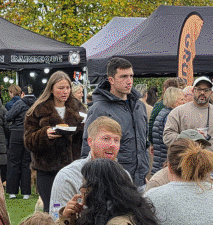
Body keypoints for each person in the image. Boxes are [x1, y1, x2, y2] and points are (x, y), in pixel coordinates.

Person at [82, 58, 149, 188]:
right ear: (111, 80)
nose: (129, 81)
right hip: (112, 181)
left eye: (131, 76)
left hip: (139, 181)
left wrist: (143, 173)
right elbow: (87, 146)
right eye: (123, 76)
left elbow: (143, 142)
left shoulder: (139, 106)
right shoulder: (99, 109)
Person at [24, 71, 85, 212]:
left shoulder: (79, 108)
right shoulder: (37, 110)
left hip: (73, 168)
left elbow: (86, 136)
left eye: (67, 88)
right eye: (60, 88)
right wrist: (44, 135)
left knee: (73, 208)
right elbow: (28, 141)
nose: (65, 92)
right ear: (51, 89)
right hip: (48, 170)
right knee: (51, 209)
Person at [49, 116, 121, 210]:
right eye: (106, 138)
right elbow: (55, 215)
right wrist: (66, 216)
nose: (112, 144)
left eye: (116, 140)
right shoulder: (68, 176)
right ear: (90, 142)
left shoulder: (123, 176)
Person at [163, 76, 213, 156]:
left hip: (212, 165)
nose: (202, 93)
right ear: (193, 91)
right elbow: (167, 136)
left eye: (206, 90)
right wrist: (189, 138)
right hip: (184, 164)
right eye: (199, 89)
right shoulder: (178, 112)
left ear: (211, 92)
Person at [6, 85, 36, 199]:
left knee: (13, 162)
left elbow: (8, 116)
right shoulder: (37, 104)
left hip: (17, 134)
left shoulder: (19, 103)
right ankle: (26, 193)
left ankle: (12, 192)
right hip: (30, 134)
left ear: (22, 93)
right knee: (26, 163)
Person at [150, 87, 184, 174]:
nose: (184, 102)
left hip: (160, 162)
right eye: (181, 99)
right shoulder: (170, 116)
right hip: (165, 165)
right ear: (174, 101)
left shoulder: (163, 113)